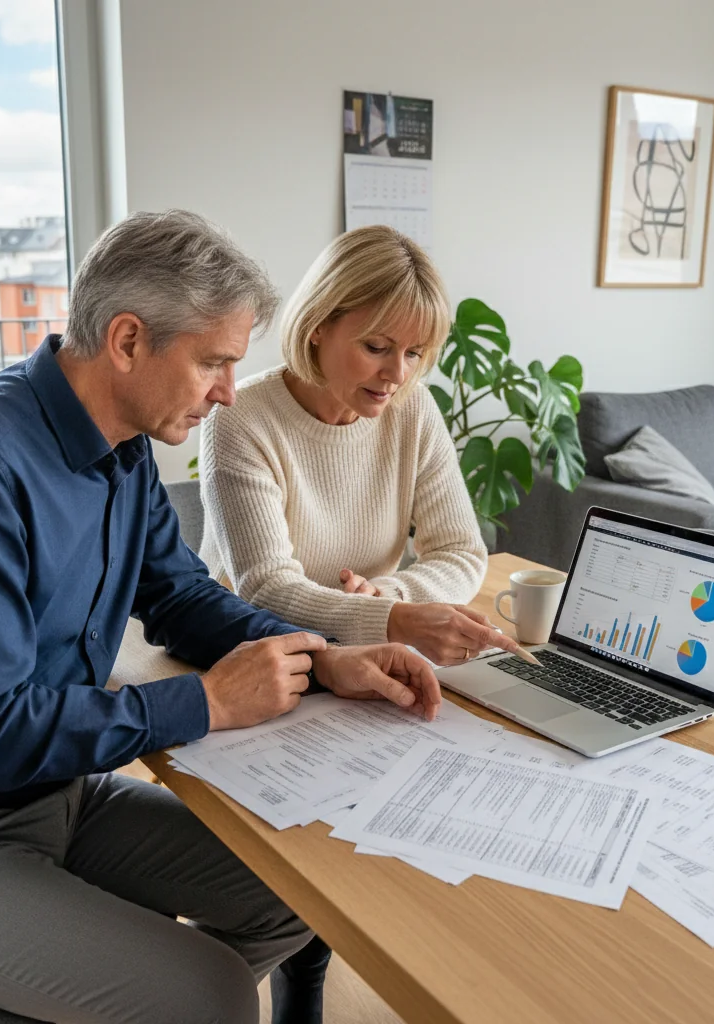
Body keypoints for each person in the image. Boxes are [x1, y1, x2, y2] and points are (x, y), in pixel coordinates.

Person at [0, 211, 442, 1024]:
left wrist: (322, 657)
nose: (226, 392)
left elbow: (179, 595)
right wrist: (208, 703)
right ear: (128, 340)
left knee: (302, 889)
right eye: (214, 362)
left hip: (51, 802)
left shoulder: (124, 444)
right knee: (208, 996)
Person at [199, 224, 525, 1022]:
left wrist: (389, 597)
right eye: (379, 347)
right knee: (287, 856)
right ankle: (282, 980)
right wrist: (389, 618)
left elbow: (460, 549)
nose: (399, 374)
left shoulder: (412, 412)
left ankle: (306, 974)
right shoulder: (242, 420)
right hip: (253, 657)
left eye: (416, 354)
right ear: (319, 328)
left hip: (363, 654)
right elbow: (264, 584)